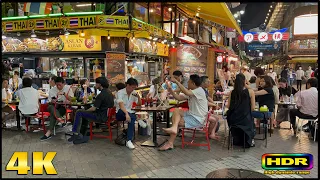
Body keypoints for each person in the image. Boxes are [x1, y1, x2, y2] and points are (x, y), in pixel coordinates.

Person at [159, 74, 208, 151]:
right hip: (192, 115)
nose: (187, 83)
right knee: (176, 110)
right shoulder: (193, 92)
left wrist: (177, 82)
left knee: (176, 120)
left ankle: (170, 142)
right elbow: (178, 97)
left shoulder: (199, 90)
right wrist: (171, 90)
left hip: (198, 119)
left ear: (193, 84)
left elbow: (187, 92)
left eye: (189, 82)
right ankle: (173, 130)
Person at [68, 77, 115, 144]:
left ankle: (76, 133)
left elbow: (94, 108)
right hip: (106, 115)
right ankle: (81, 134)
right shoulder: (109, 93)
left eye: (96, 84)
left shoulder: (101, 95)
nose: (95, 85)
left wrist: (85, 111)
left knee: (79, 112)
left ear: (100, 84)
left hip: (100, 117)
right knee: (83, 113)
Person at [226, 73, 255, 147]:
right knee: (251, 121)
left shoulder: (232, 92)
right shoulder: (250, 92)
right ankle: (249, 140)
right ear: (244, 81)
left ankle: (237, 138)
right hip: (245, 120)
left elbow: (228, 106)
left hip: (233, 119)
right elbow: (253, 108)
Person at [116, 78, 142, 149]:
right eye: (132, 87)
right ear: (127, 85)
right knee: (132, 116)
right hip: (120, 113)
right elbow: (121, 105)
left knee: (132, 118)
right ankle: (138, 119)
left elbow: (139, 104)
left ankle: (129, 140)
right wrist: (126, 114)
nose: (133, 89)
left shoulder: (134, 93)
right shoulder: (120, 92)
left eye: (134, 87)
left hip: (129, 114)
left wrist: (138, 97)